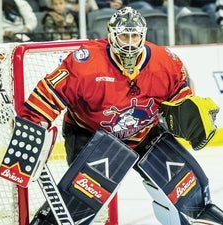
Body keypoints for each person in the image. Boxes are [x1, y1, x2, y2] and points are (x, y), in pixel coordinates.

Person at [17, 6, 223, 224]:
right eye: (125, 35)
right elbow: (50, 92)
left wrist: (186, 109)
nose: (130, 42)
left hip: (145, 133)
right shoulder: (86, 63)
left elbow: (181, 91)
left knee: (189, 194)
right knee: (80, 202)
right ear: (112, 34)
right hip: (91, 135)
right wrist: (32, 127)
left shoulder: (165, 62)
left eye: (135, 36)